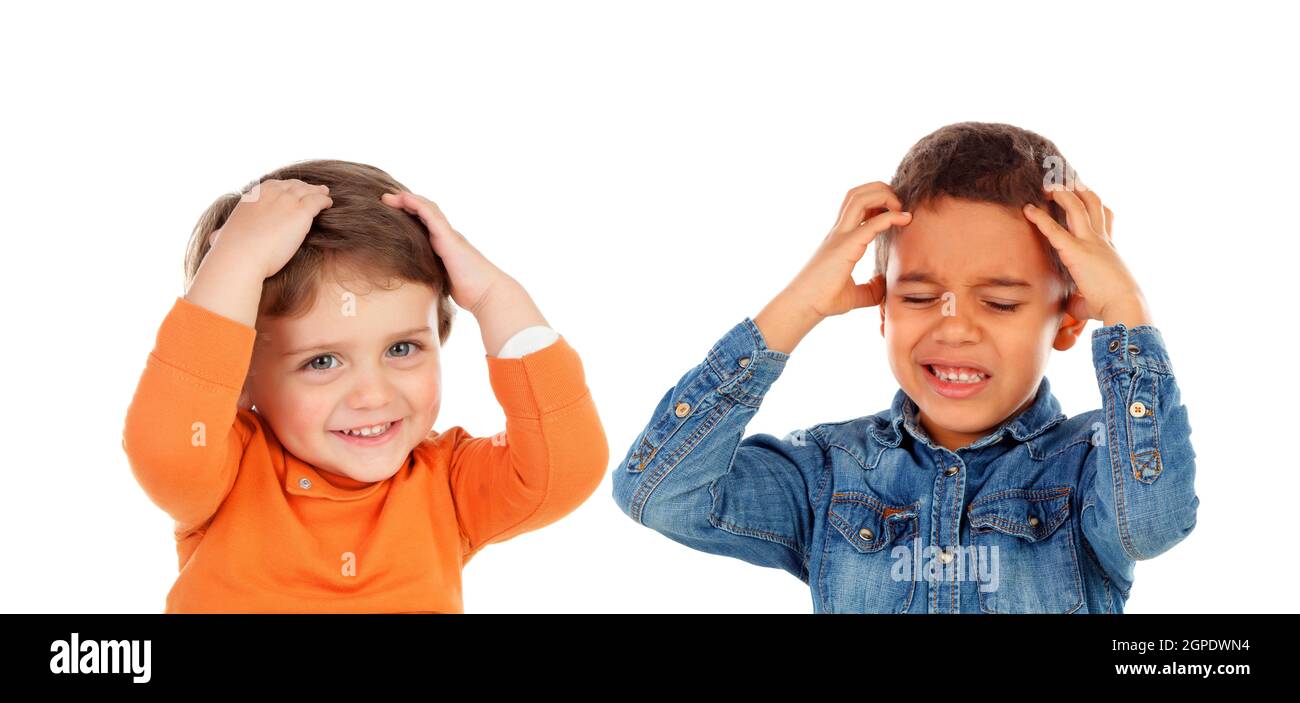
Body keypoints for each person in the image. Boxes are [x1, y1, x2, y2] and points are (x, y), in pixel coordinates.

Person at [611, 122, 1199, 613]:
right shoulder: (830, 472)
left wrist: (1126, 312)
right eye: (918, 297)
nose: (954, 326)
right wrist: (797, 306)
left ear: (1069, 319)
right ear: (884, 309)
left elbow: (1153, 523)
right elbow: (659, 493)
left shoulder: (1096, 463)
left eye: (999, 303)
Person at [123, 159, 607, 613]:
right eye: (323, 361)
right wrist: (237, 262)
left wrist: (492, 294)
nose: (373, 396)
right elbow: (166, 445)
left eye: (401, 349)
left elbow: (565, 468)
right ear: (242, 374)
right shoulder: (225, 472)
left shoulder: (446, 483)